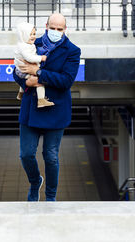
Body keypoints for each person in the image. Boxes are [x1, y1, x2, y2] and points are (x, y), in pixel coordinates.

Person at [13, 13, 81, 202]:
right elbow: (16, 71)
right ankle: (36, 182)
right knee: (26, 154)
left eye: (60, 29)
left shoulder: (72, 51)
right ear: (46, 25)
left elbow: (66, 81)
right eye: (53, 27)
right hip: (31, 110)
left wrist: (39, 73)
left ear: (65, 29)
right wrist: (29, 82)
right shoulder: (32, 41)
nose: (56, 32)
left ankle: (51, 195)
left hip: (56, 110)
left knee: (50, 157)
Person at [14, 22, 54, 108]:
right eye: (30, 34)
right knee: (40, 81)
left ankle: (20, 93)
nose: (33, 36)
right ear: (23, 35)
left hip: (20, 69)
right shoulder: (24, 47)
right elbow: (29, 57)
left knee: (25, 80)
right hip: (22, 70)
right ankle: (41, 100)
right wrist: (41, 58)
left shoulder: (25, 44)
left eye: (34, 34)